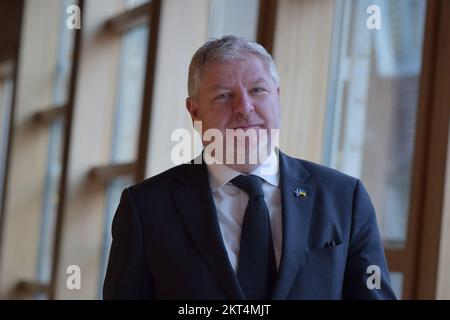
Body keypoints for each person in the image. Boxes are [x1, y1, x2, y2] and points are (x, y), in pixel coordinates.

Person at [103, 35, 396, 300]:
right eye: (223, 95)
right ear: (194, 111)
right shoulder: (145, 207)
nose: (244, 107)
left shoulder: (344, 197)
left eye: (258, 90)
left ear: (277, 98)